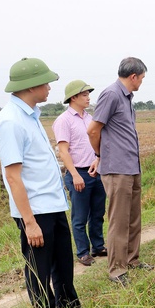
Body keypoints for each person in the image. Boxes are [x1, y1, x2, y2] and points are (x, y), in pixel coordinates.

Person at [0, 57, 80, 308]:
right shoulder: (10, 121)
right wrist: (29, 222)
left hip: (52, 203)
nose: (50, 87)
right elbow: (13, 177)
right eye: (46, 82)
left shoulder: (30, 116)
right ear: (31, 86)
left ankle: (68, 307)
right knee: (39, 267)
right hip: (35, 209)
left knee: (63, 262)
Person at [87, 57, 150, 286]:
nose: (141, 82)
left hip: (131, 166)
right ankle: (116, 270)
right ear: (133, 76)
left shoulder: (127, 98)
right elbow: (93, 130)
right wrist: (100, 155)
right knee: (119, 220)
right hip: (116, 169)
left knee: (133, 218)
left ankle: (132, 260)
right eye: (141, 78)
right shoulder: (111, 94)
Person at [52, 80, 107, 267]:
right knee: (80, 217)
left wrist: (98, 159)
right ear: (73, 97)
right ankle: (83, 252)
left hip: (96, 171)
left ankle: (98, 246)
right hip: (79, 173)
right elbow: (63, 150)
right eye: (84, 95)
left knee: (98, 212)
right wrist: (74, 175)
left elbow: (98, 142)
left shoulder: (90, 118)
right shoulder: (64, 120)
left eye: (88, 95)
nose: (88, 98)